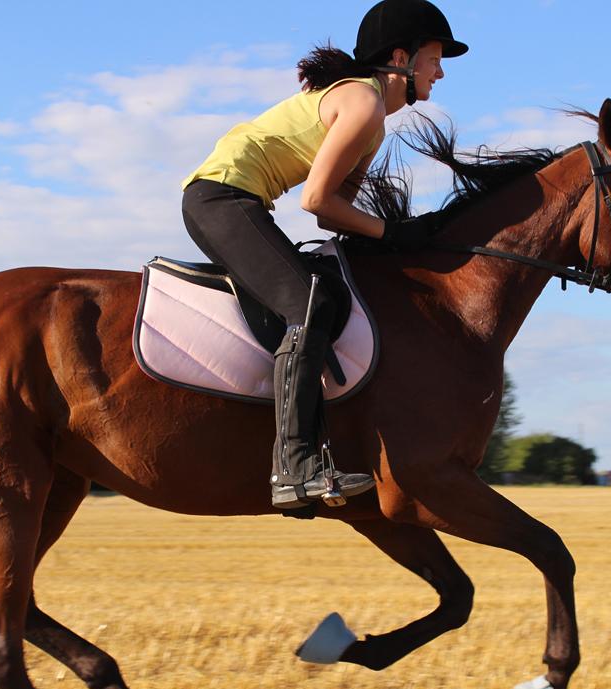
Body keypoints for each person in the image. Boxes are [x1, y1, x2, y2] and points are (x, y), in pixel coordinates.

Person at [181, 0, 468, 509]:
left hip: (233, 199)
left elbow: (334, 214)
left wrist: (395, 235)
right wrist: (394, 232)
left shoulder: (373, 121)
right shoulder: (364, 103)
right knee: (309, 302)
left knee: (322, 294)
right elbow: (316, 200)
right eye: (434, 59)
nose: (440, 72)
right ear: (400, 58)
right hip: (220, 198)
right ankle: (293, 467)